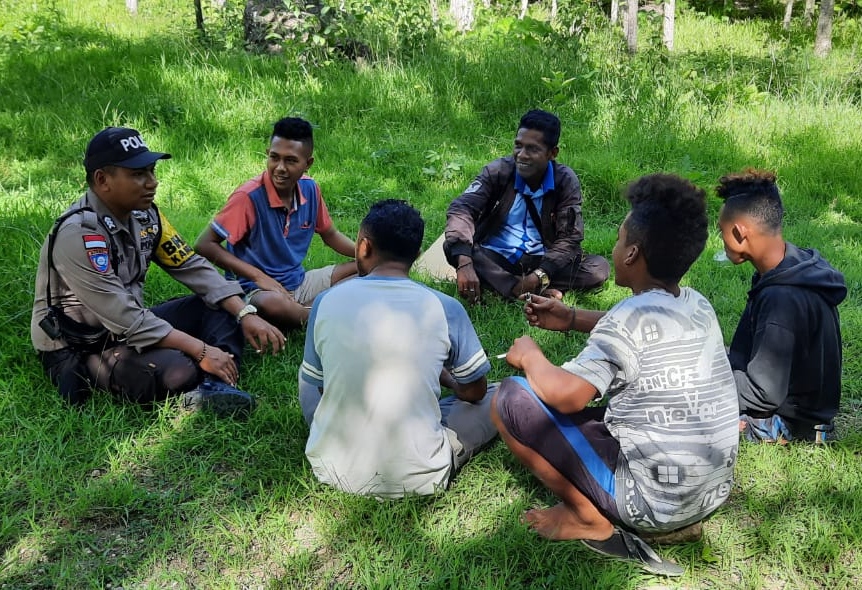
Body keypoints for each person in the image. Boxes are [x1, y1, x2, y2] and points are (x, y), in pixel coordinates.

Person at [492, 174, 739, 576]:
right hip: (710, 491)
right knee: (600, 414)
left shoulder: (627, 317)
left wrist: (530, 356)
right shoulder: (697, 304)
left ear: (632, 255)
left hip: (655, 504)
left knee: (511, 398)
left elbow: (567, 395)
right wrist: (572, 318)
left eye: (620, 238)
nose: (614, 245)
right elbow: (642, 330)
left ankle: (586, 518)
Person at [30, 126, 285, 417]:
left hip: (129, 326)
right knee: (177, 368)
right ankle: (199, 380)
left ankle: (216, 384)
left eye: (151, 171)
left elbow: (191, 265)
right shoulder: (80, 234)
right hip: (83, 345)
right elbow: (123, 316)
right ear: (102, 180)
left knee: (221, 307)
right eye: (138, 174)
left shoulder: (146, 215)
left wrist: (244, 313)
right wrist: (201, 350)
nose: (153, 182)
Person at [299, 199, 497, 498]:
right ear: (417, 255)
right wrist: (444, 376)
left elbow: (314, 388)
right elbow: (474, 392)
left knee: (319, 380)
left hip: (330, 465)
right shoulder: (446, 308)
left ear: (363, 247)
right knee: (503, 392)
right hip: (417, 477)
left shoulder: (325, 301)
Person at [716, 169, 846, 443]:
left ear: (740, 233)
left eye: (722, 232)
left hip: (792, 422)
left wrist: (704, 383)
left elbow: (764, 393)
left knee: (682, 410)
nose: (722, 240)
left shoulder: (782, 298)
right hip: (790, 395)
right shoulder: (794, 263)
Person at [195, 117, 357, 331]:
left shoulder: (310, 189)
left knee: (367, 270)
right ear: (267, 154)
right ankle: (320, 313)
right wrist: (259, 277)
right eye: (274, 157)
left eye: (291, 160)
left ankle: (306, 312)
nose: (280, 168)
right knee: (271, 304)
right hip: (258, 290)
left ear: (308, 164)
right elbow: (204, 244)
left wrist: (367, 257)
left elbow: (330, 234)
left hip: (299, 282)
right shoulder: (248, 197)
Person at [442, 109, 609, 303]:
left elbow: (570, 237)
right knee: (455, 248)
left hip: (542, 261)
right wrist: (465, 264)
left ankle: (512, 286)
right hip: (496, 257)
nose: (521, 155)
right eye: (518, 146)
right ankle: (521, 289)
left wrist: (540, 273)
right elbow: (462, 209)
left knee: (598, 268)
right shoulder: (498, 171)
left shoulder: (565, 180)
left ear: (552, 153)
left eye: (532, 149)